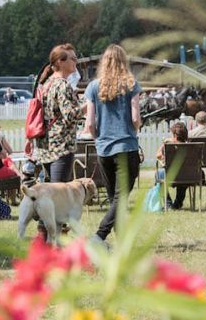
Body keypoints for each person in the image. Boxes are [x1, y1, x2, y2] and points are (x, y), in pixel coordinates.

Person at [84, 44, 142, 242]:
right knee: (121, 197)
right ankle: (99, 236)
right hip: (126, 147)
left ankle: (122, 240)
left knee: (113, 198)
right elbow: (135, 118)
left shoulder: (93, 87)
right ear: (123, 62)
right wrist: (135, 129)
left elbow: (89, 122)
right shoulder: (131, 84)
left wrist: (97, 138)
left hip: (104, 150)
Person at [31, 44, 81, 183]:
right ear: (60, 62)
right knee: (59, 195)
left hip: (45, 147)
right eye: (72, 58)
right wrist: (88, 105)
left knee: (50, 194)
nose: (75, 61)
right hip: (61, 147)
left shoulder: (46, 83)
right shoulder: (62, 85)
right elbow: (70, 115)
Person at [155, 121, 190, 210]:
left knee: (158, 174)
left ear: (175, 135)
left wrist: (164, 143)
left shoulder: (169, 146)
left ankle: (168, 203)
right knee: (184, 174)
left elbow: (158, 155)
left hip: (171, 176)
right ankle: (178, 203)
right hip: (188, 177)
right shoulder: (191, 147)